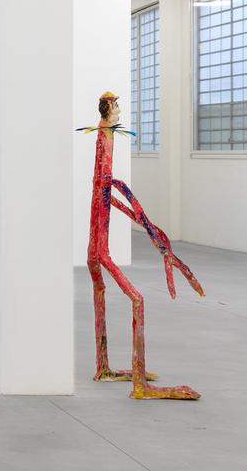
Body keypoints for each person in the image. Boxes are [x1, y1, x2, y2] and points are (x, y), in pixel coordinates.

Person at [84, 92, 203, 400]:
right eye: (116, 107)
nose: (120, 111)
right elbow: (106, 185)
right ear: (108, 110)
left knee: (100, 289)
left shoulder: (104, 135)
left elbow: (103, 187)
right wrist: (146, 223)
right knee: (138, 300)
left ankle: (103, 367)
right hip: (100, 246)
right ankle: (140, 384)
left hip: (95, 244)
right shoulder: (104, 136)